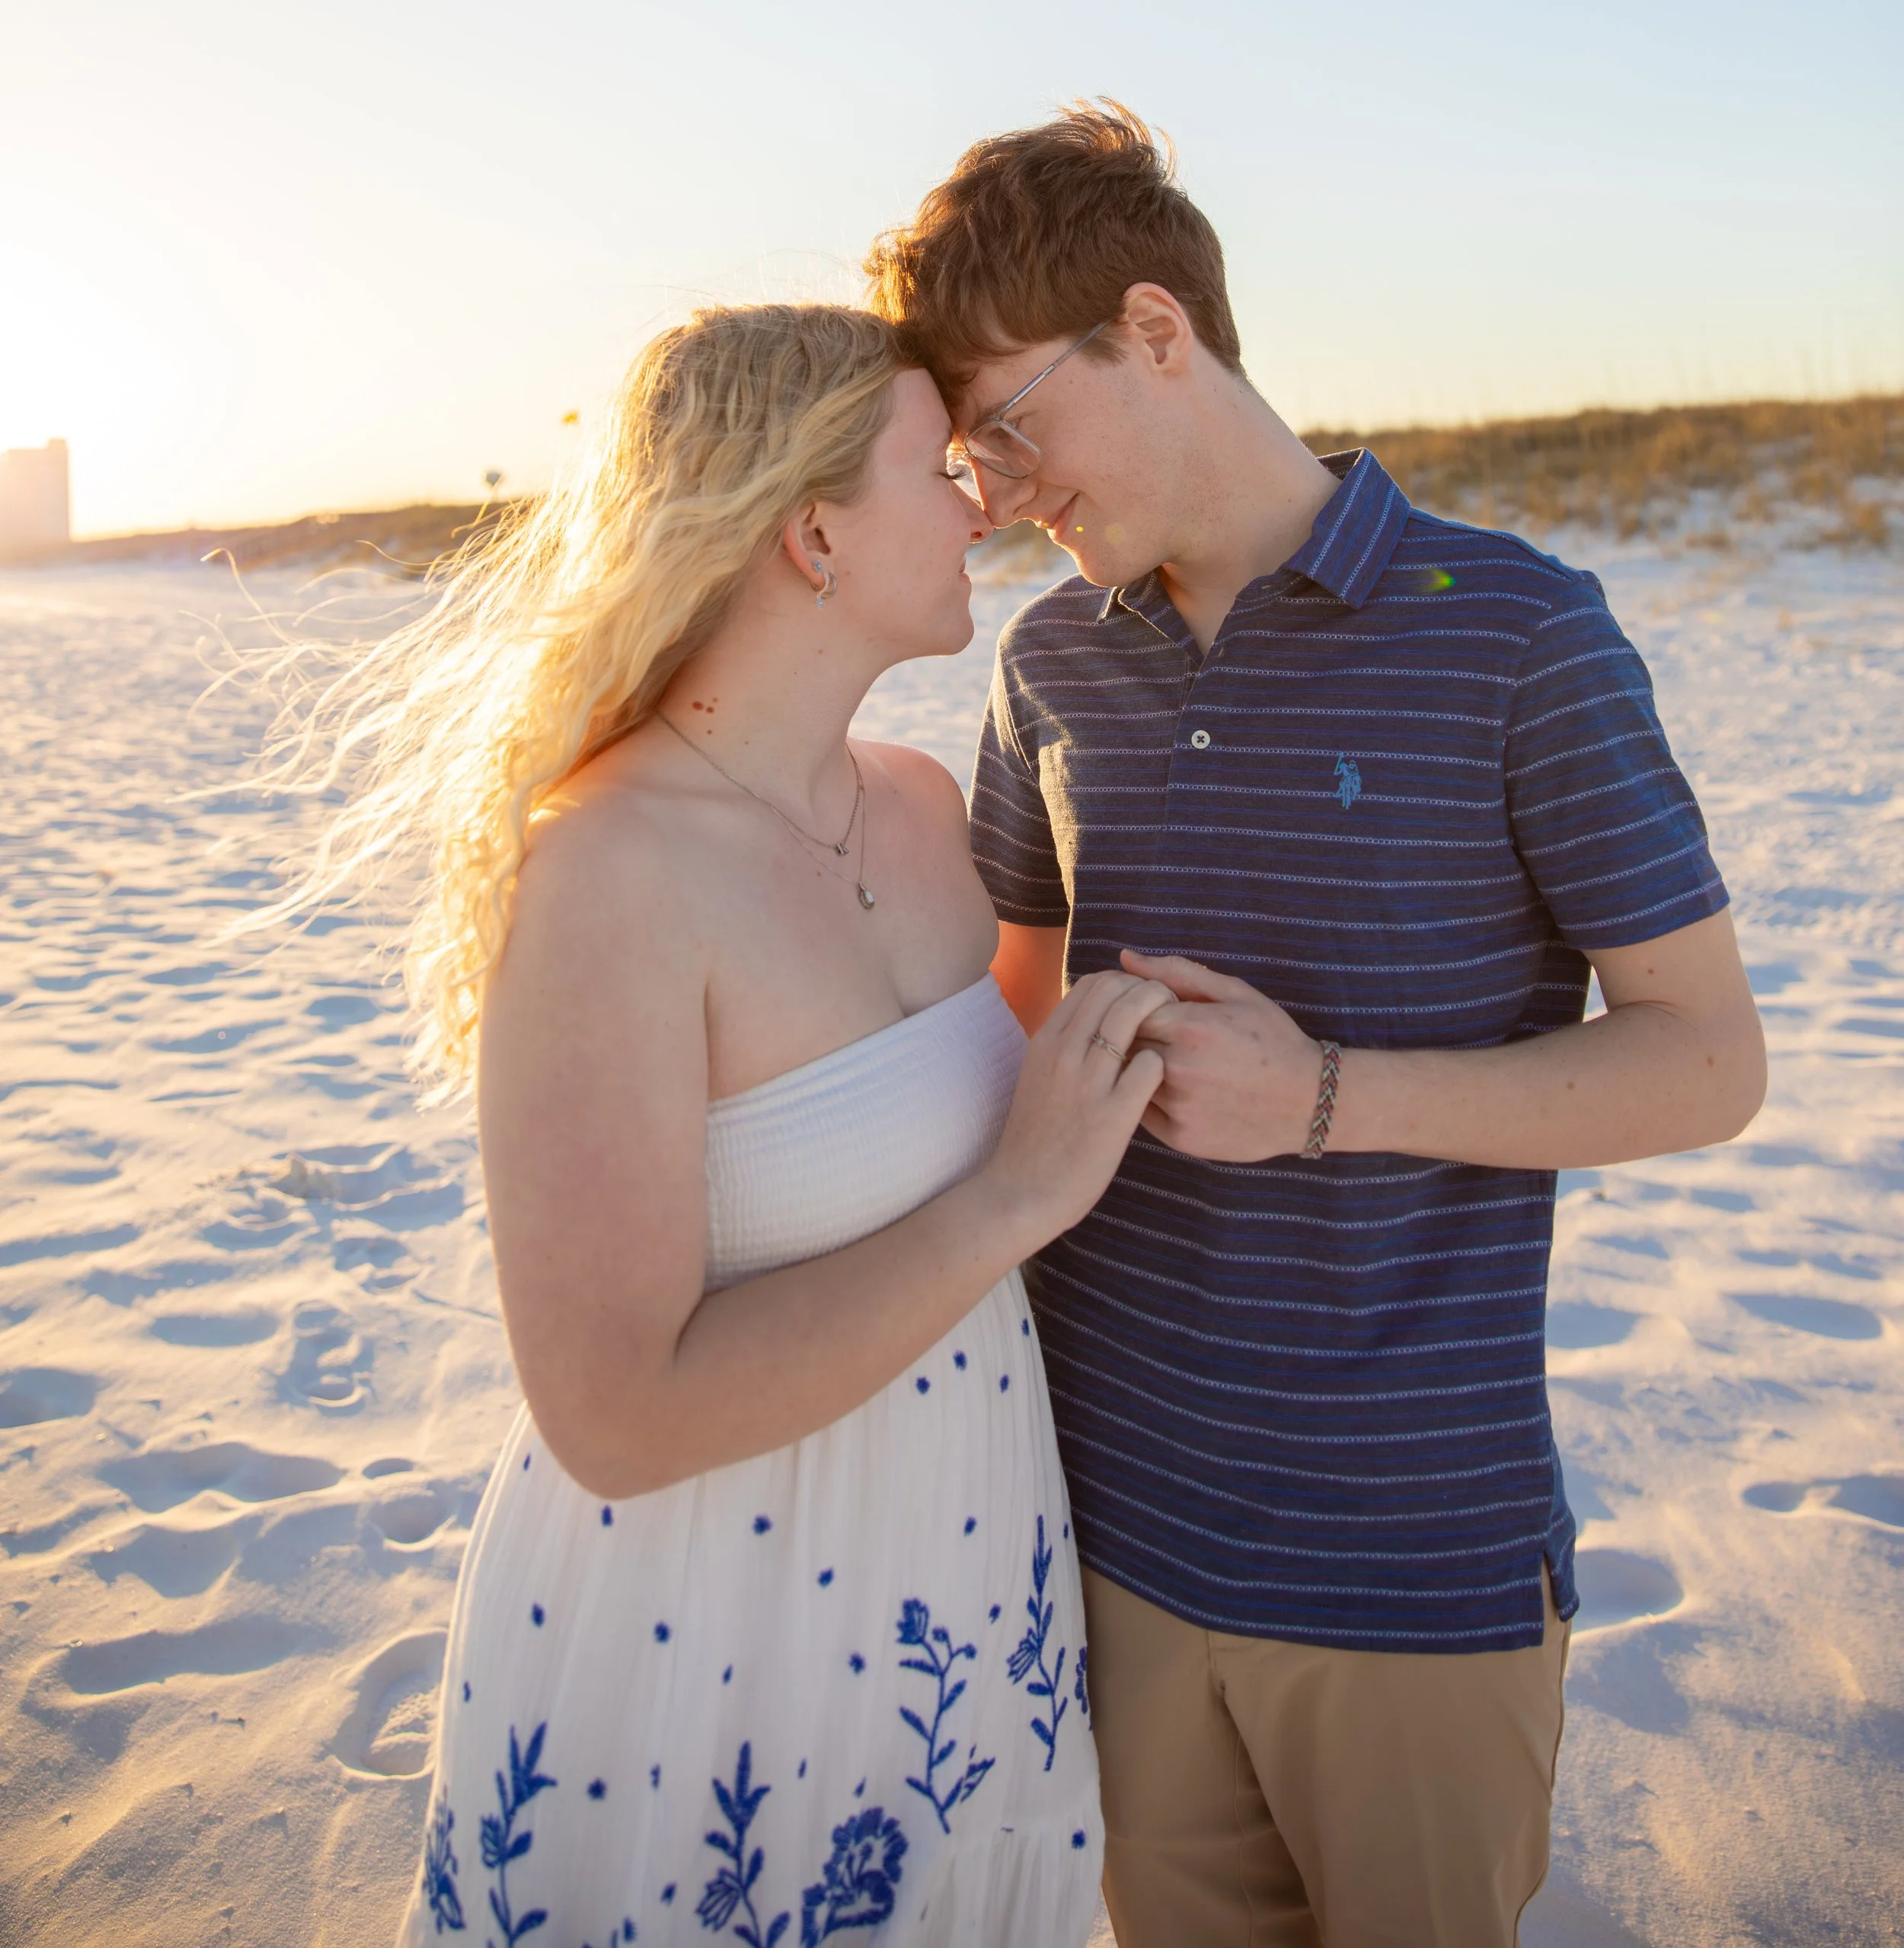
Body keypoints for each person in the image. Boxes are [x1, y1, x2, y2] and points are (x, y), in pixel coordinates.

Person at [866, 105, 1768, 1948]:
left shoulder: (1517, 630)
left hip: (1403, 1563)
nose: (1001, 487)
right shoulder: (1045, 666)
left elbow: (1703, 1060)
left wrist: (1327, 1097)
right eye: (965, 458)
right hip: (1096, 1535)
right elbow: (997, 1033)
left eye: (1008, 425)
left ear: (1153, 328)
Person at [275, 303, 1168, 1948]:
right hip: (725, 1631)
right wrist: (1008, 1205)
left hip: (963, 1591)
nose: (978, 503)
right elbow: (612, 1411)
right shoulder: (610, 874)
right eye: (934, 469)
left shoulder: (913, 802)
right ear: (809, 530)